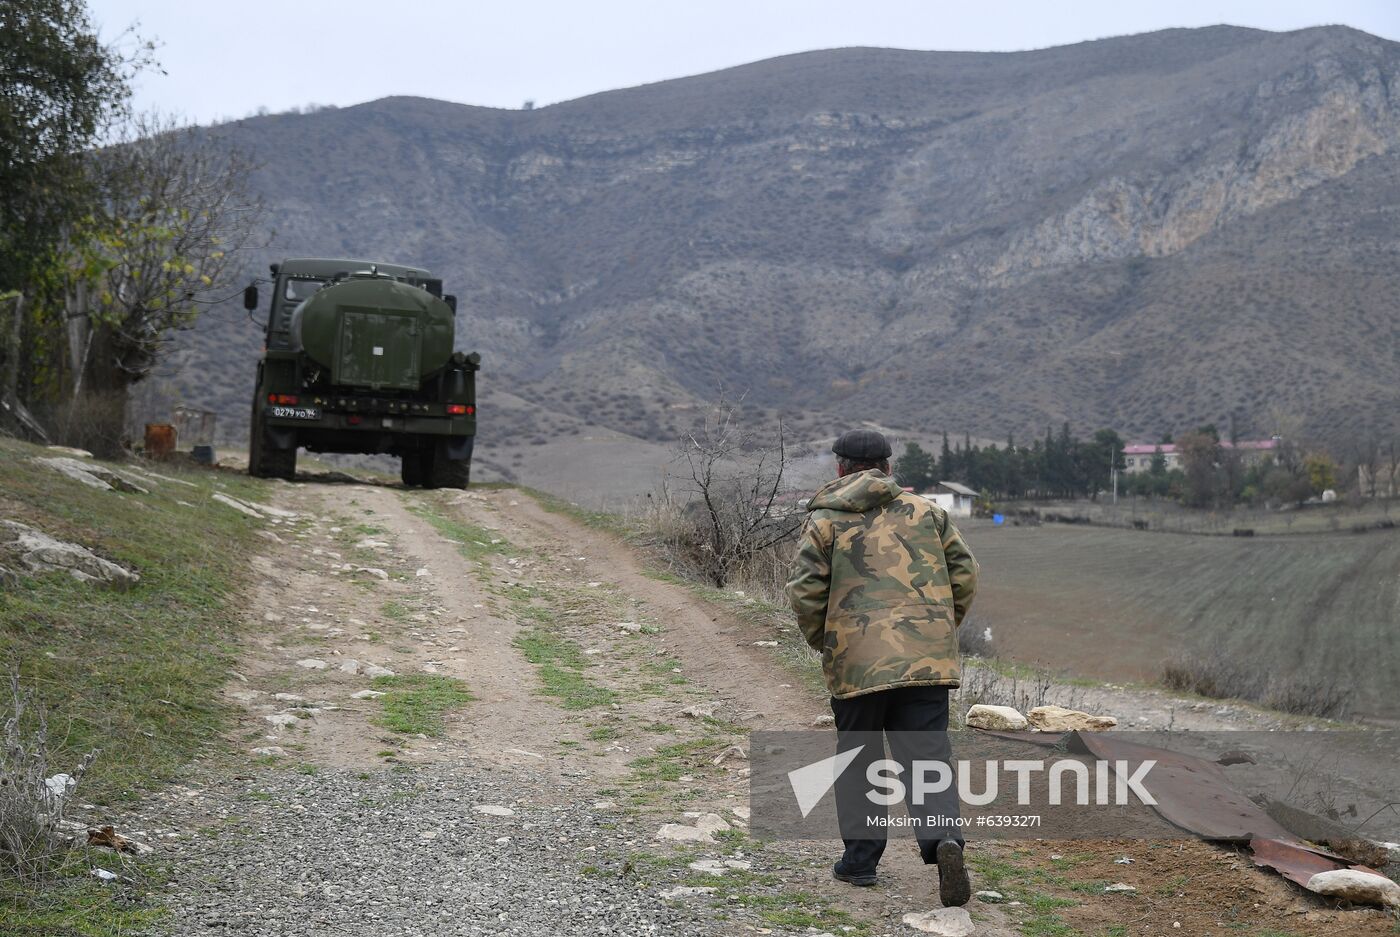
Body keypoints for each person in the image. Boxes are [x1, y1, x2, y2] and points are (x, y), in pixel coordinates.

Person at [785, 428, 979, 906]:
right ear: (889, 468)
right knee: (927, 756)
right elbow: (965, 574)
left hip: (857, 664)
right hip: (924, 659)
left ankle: (860, 862)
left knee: (860, 760)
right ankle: (943, 842)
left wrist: (828, 643)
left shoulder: (825, 521)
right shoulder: (928, 512)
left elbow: (806, 591)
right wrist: (935, 630)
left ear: (839, 468)